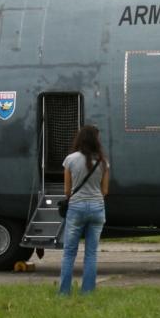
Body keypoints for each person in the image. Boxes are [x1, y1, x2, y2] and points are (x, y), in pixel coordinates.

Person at [59, 124, 110, 296]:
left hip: (77, 207)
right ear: (96, 141)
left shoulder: (70, 160)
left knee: (69, 253)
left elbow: (67, 190)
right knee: (91, 254)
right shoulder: (103, 162)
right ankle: (87, 292)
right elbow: (105, 191)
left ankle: (64, 292)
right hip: (97, 208)